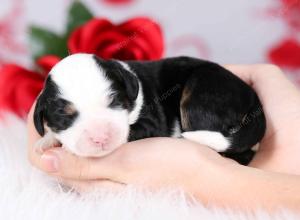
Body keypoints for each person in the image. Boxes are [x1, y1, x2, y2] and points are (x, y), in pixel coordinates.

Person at [27, 64, 300, 211]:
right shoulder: (50, 114)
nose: (99, 135)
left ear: (128, 89)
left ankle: (230, 140)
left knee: (203, 95)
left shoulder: (144, 97)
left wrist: (209, 177)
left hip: (211, 89)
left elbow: (147, 128)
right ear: (45, 120)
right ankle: (235, 151)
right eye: (68, 119)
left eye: (112, 105)